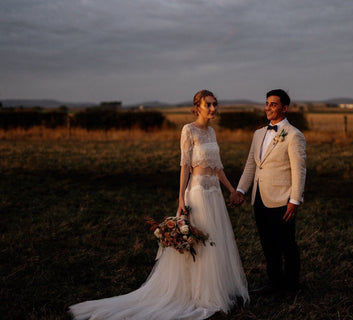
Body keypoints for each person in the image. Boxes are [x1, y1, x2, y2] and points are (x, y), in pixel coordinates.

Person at [69, 90, 249, 320]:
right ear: (197, 107)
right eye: (208, 104)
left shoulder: (212, 131)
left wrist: (232, 190)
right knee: (198, 243)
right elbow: (185, 165)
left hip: (214, 194)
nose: (213, 109)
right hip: (197, 193)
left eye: (215, 104)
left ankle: (213, 289)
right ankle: (196, 293)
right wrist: (181, 197)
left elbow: (218, 167)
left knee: (214, 242)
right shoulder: (188, 130)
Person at [231, 89, 306, 297]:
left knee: (286, 244)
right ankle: (273, 282)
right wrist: (240, 190)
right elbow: (251, 165)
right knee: (268, 244)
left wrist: (295, 200)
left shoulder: (293, 135)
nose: (268, 107)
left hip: (283, 199)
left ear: (284, 108)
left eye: (273, 104)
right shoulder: (258, 134)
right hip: (259, 199)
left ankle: (291, 287)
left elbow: (299, 170)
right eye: (267, 103)